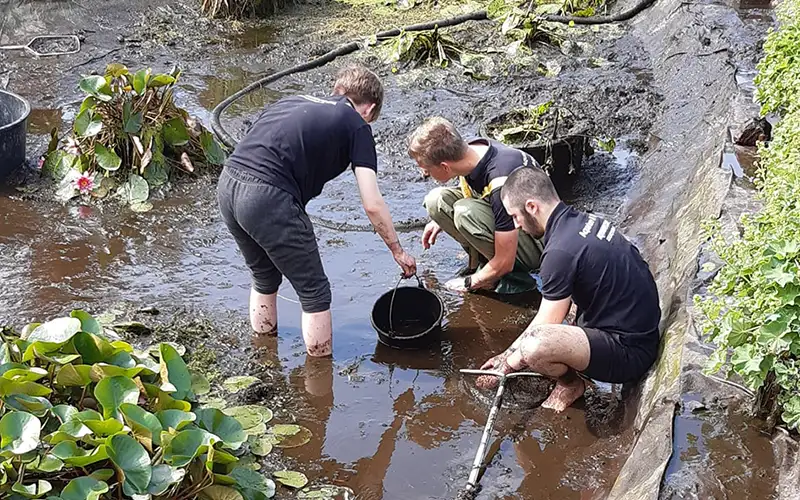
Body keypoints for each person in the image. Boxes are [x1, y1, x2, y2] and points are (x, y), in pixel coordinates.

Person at [217, 65, 417, 357]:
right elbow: (372, 203)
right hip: (267, 196)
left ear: (338, 90)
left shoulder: (292, 100)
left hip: (228, 185)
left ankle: (264, 358)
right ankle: (320, 384)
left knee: (263, 276)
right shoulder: (357, 125)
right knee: (315, 293)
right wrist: (397, 250)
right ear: (369, 108)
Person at [477, 166, 661, 411]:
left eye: (515, 216)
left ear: (532, 207)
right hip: (641, 329)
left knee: (535, 348)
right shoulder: (582, 222)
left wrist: (507, 363)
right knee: (558, 317)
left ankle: (570, 384)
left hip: (630, 353)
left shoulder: (558, 252)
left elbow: (543, 327)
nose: (517, 226)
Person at [406, 117, 543, 294]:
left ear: (444, 167)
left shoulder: (500, 183)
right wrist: (440, 219)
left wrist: (469, 283)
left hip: (537, 241)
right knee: (437, 201)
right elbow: (474, 190)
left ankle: (514, 279)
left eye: (426, 168)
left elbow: (505, 260)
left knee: (466, 213)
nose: (424, 173)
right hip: (507, 221)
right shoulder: (471, 150)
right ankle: (484, 262)